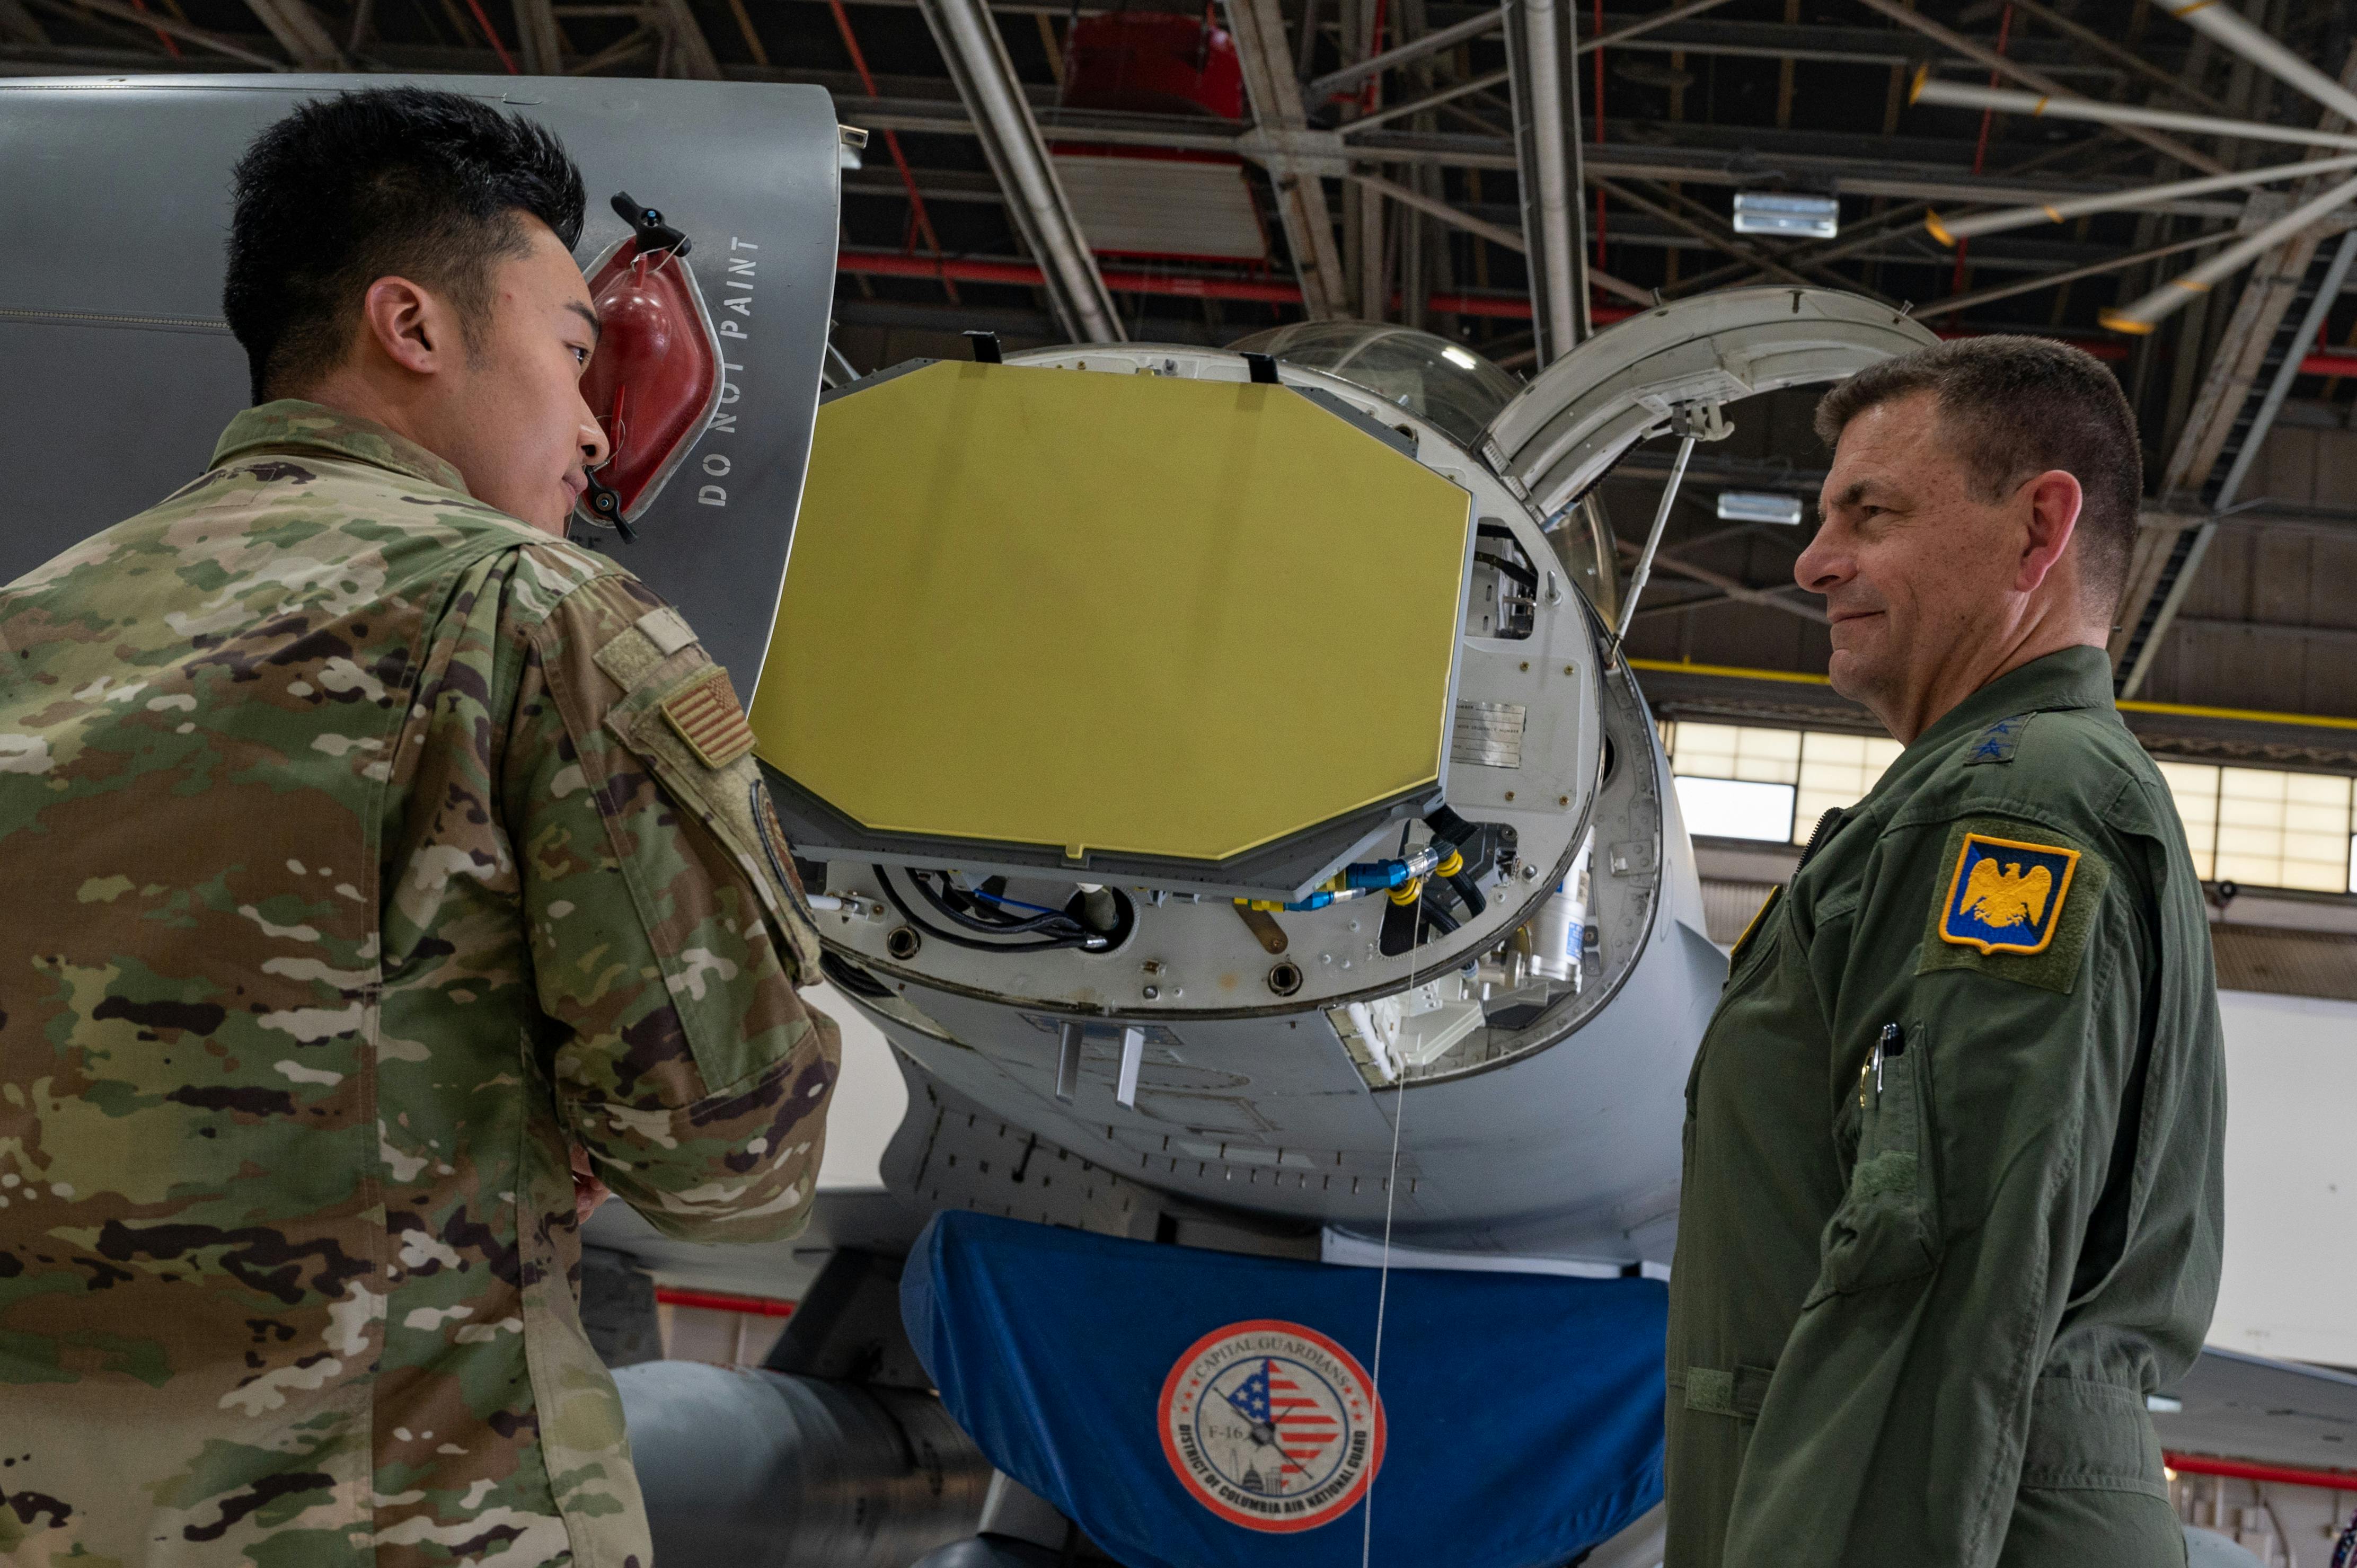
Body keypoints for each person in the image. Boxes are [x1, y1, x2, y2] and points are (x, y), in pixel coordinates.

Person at [0, 86, 839, 1562]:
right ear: (414, 324)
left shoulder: (30, 633)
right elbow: (733, 1159)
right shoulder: (534, 616)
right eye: (575, 353)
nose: (592, 427)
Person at [1664, 337, 2225, 1567]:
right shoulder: (1994, 796)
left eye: (1871, 513)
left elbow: (1934, 1284)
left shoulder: (2009, 807)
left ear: (2038, 530)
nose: (1813, 562)